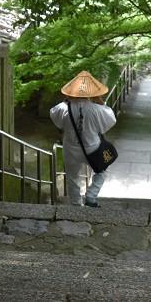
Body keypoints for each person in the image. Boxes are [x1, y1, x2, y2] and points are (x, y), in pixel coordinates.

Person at [50, 71, 116, 207]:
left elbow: (55, 117)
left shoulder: (62, 108)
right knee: (102, 170)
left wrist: (66, 100)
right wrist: (100, 101)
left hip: (70, 149)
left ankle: (75, 203)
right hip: (92, 147)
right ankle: (91, 196)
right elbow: (111, 119)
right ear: (91, 94)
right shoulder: (97, 109)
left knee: (72, 177)